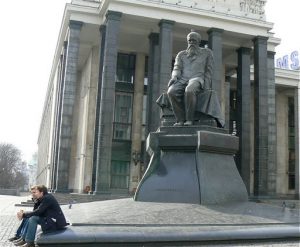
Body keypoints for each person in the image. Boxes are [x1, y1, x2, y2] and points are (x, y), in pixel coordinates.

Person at [167, 31, 214, 126]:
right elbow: (177, 68)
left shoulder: (207, 53)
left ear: (199, 42)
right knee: (171, 92)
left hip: (197, 78)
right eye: (190, 41)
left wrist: (207, 84)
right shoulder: (181, 54)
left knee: (189, 90)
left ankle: (189, 119)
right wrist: (174, 76)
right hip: (183, 79)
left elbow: (209, 70)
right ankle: (180, 120)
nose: (191, 43)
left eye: (194, 41)